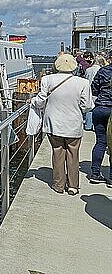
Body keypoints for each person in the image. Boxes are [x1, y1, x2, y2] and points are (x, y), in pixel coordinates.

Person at [32, 54, 94, 195]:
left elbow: (40, 102)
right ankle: (73, 186)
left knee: (57, 152)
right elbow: (87, 106)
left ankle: (59, 185)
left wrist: (33, 102)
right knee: (73, 154)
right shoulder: (82, 83)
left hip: (53, 124)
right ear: (74, 66)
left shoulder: (47, 79)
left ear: (56, 65)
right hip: (73, 124)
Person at [89, 54, 112, 185]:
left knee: (101, 142)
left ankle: (95, 173)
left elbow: (94, 89)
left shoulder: (103, 71)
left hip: (101, 108)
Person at [84, 55, 106, 131]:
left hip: (89, 90)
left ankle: (88, 125)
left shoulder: (88, 70)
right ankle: (94, 126)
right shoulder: (101, 70)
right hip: (98, 91)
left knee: (89, 108)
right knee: (96, 108)